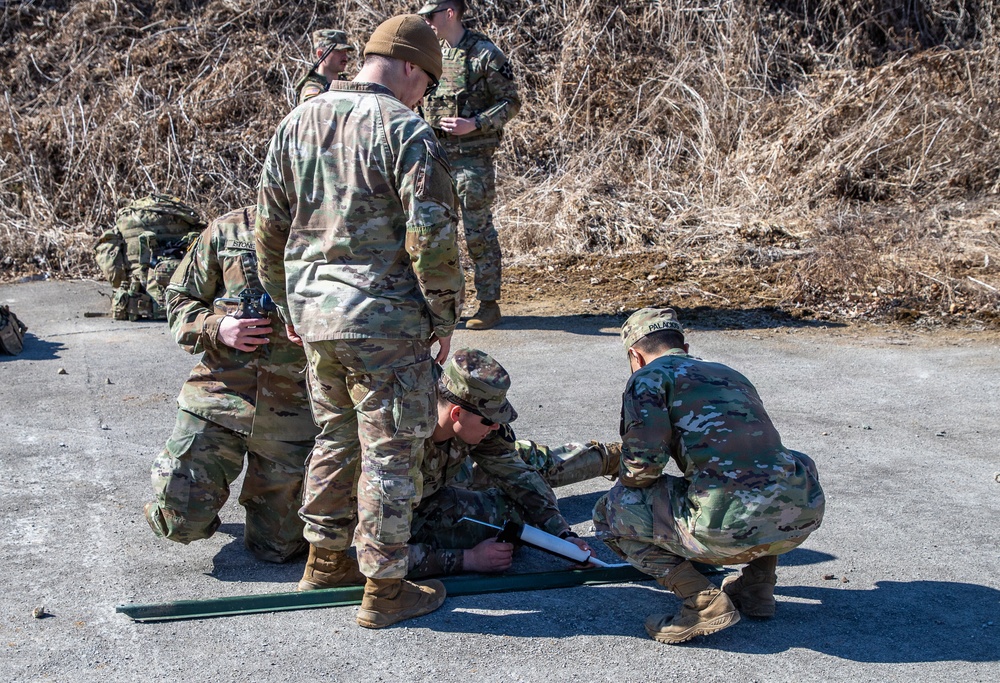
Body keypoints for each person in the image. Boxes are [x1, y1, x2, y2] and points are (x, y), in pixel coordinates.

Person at [255, 15, 464, 629]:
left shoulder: (299, 120)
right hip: (386, 322)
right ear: (406, 65)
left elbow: (269, 227)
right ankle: (385, 589)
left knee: (336, 436)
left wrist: (288, 302)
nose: (425, 94)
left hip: (317, 317)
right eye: (427, 82)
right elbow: (432, 237)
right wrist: (443, 315)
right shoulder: (407, 132)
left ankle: (324, 562)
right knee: (392, 451)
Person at [593, 308, 825, 644]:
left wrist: (624, 474)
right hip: (799, 517)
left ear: (635, 356)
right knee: (780, 469)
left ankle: (702, 602)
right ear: (684, 348)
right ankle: (758, 586)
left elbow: (643, 469)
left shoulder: (648, 379)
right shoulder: (730, 373)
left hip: (726, 530)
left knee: (611, 510)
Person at [144, 206, 317, 564]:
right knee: (179, 524)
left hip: (294, 413)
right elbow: (178, 297)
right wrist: (216, 327)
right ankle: (184, 497)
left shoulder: (334, 229)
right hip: (220, 399)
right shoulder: (228, 230)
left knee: (279, 549)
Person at [406, 348, 599, 578]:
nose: (496, 426)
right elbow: (377, 557)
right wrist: (469, 559)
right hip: (396, 517)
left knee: (515, 522)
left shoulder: (476, 424)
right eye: (490, 420)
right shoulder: (399, 446)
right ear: (457, 414)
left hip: (437, 492)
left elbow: (518, 475)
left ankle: (609, 457)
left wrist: (564, 537)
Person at [418, 0, 520, 330]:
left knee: (478, 233)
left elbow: (511, 101)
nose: (427, 22)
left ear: (450, 13)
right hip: (438, 159)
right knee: (435, 235)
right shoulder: (432, 53)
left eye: (431, 15)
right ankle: (445, 306)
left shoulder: (484, 53)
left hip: (472, 161)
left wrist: (474, 123)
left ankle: (489, 305)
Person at [295, 29, 355, 104]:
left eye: (345, 52)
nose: (345, 57)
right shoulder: (313, 90)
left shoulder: (346, 84)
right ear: (320, 54)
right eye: (338, 51)